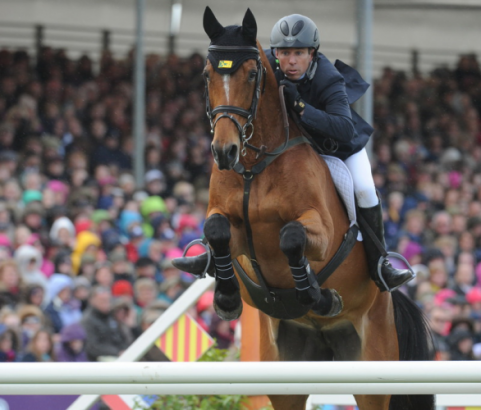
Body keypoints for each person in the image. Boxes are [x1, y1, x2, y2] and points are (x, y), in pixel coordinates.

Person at [268, 14, 413, 292]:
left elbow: (344, 128)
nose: (291, 61)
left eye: (299, 53)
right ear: (275, 52)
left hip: (338, 147)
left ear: (312, 53)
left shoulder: (328, 77)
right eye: (284, 53)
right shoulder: (266, 63)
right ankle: (214, 250)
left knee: (365, 190)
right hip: (296, 150)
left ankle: (380, 264)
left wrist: (301, 107)